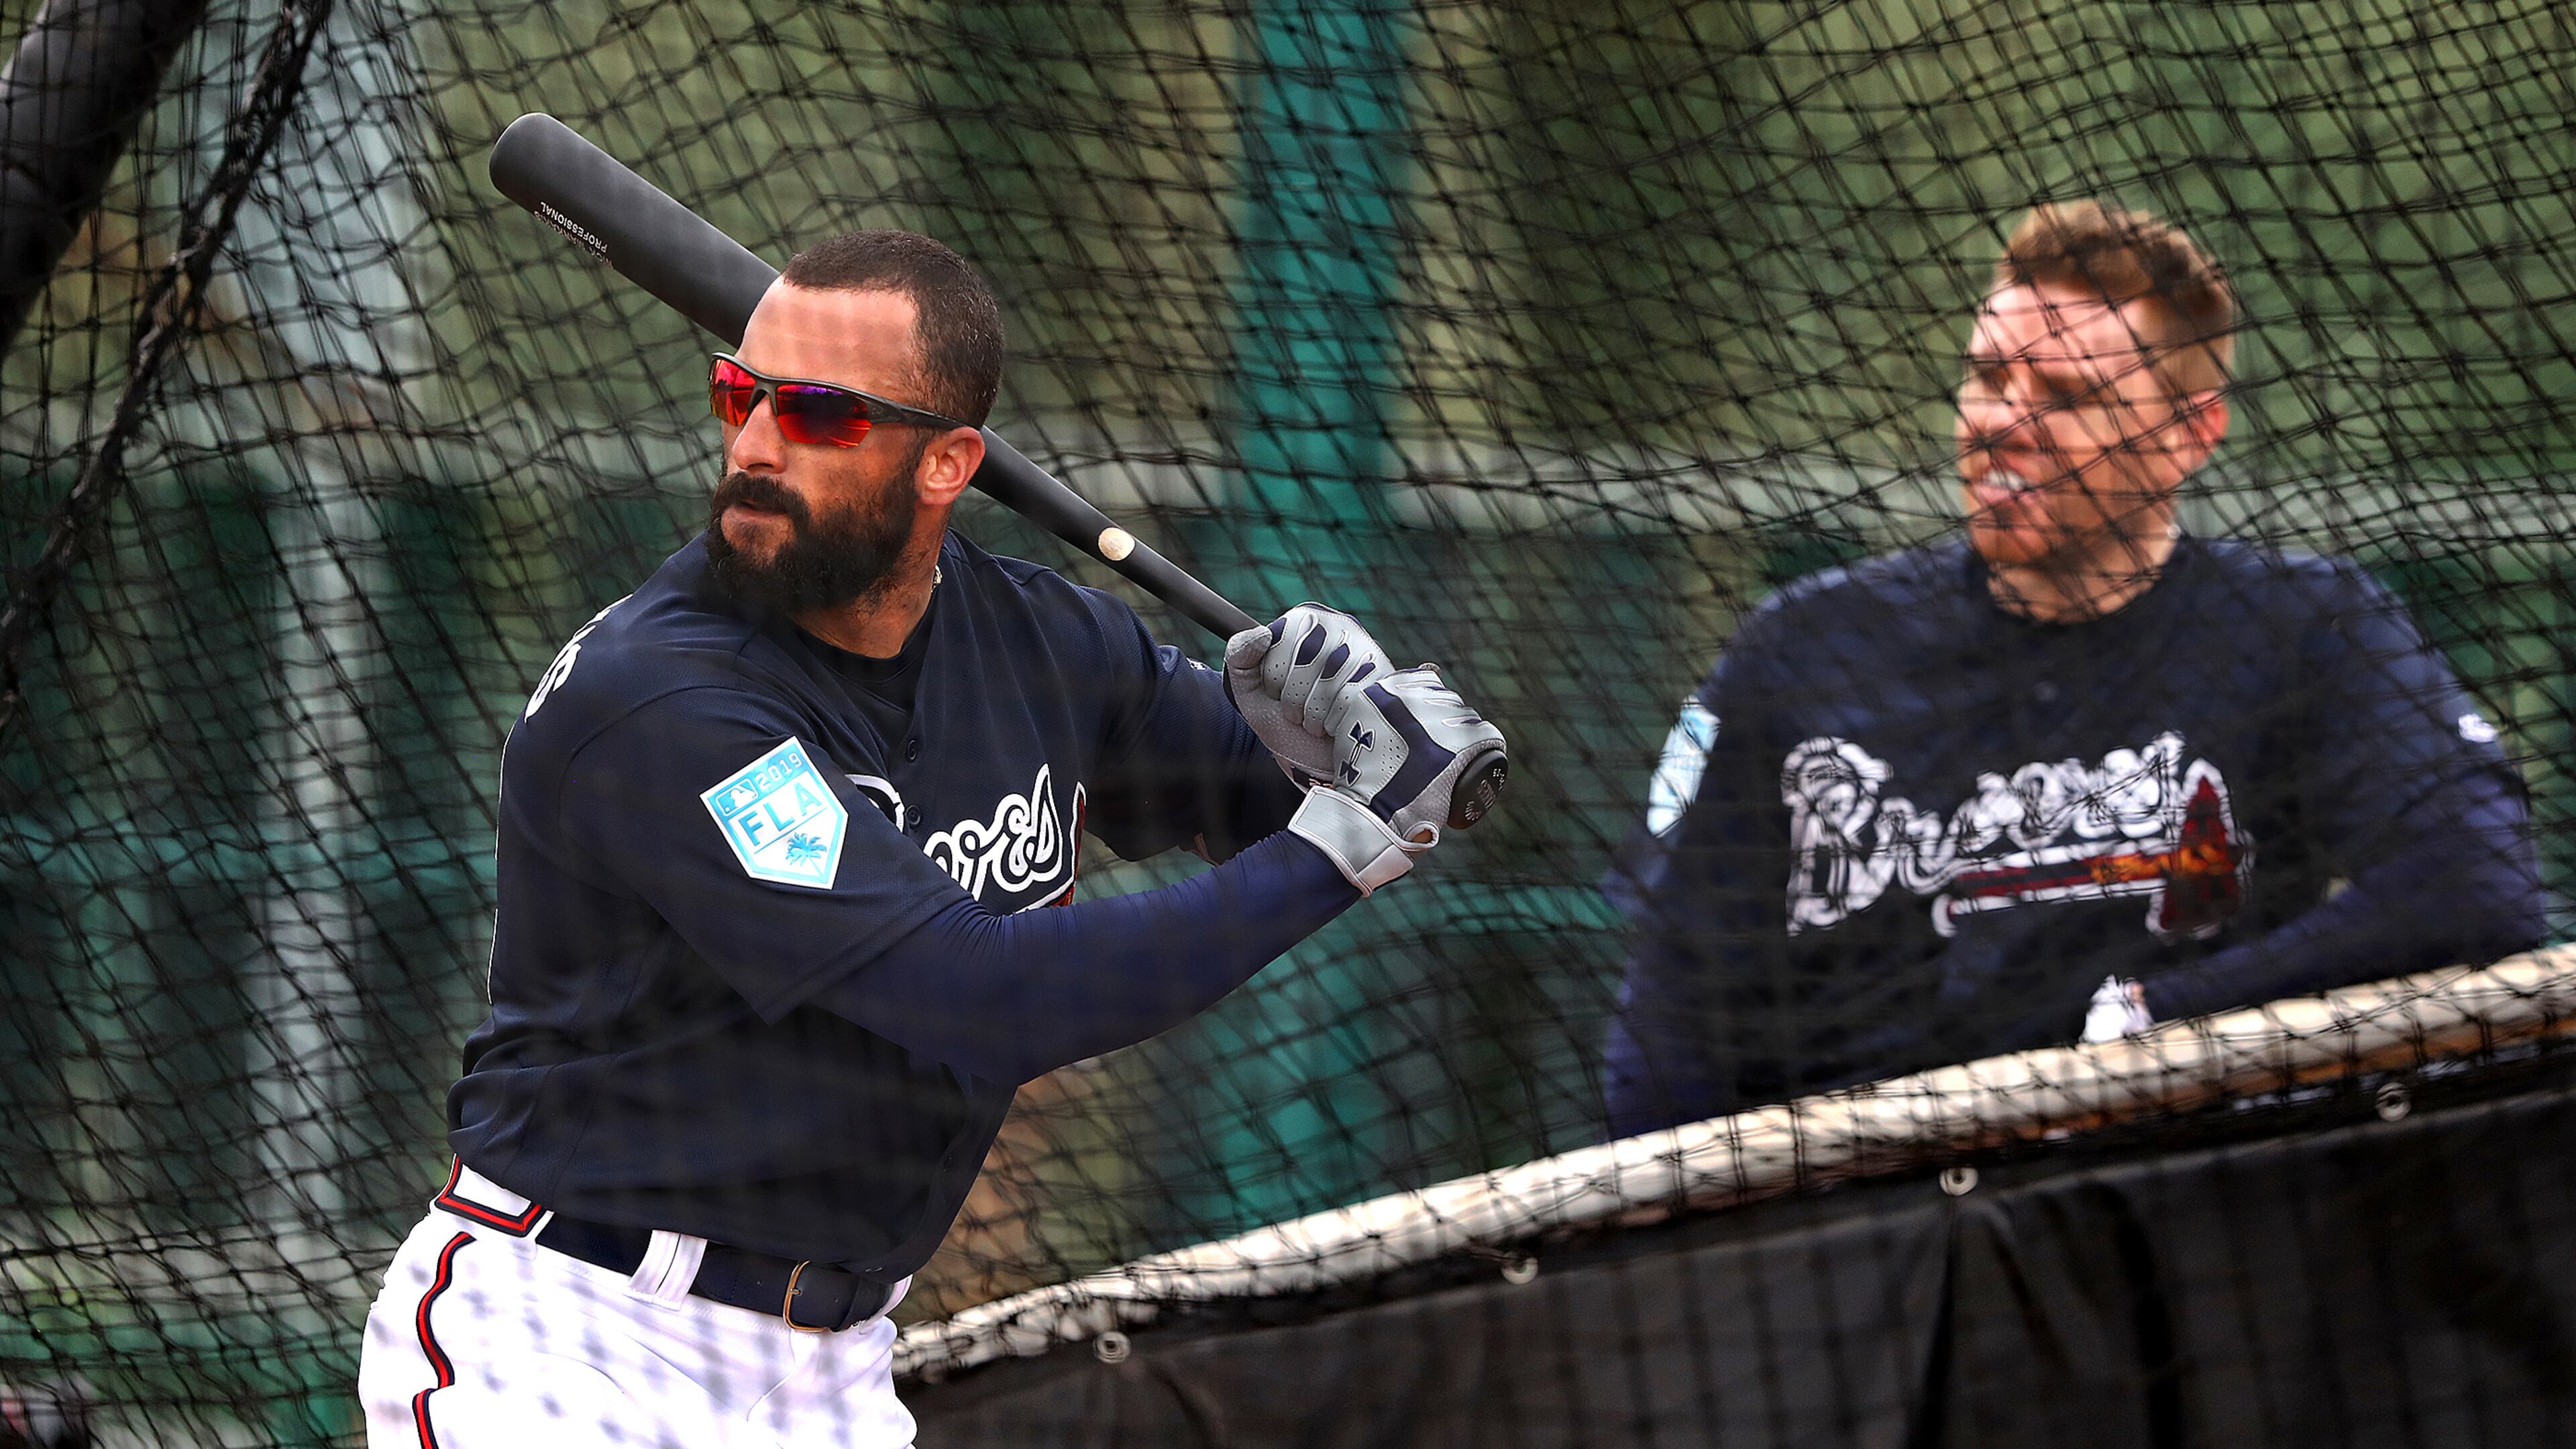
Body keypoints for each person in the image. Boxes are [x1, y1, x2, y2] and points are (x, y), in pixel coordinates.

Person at [356, 229, 1501, 1446]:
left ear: (951, 460)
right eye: (738, 396)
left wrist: (1330, 744)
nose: (752, 447)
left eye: (817, 415)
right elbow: (979, 996)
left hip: (835, 1369)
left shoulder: (1045, 648)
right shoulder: (659, 701)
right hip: (573, 1344)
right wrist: (1335, 841)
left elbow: (1288, 809)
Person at [1603, 201, 2543, 1137]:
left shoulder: (2303, 628)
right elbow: (1674, 1018)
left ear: (2189, 434)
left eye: (2068, 396)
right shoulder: (1804, 647)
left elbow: (2475, 886)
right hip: (1857, 1223)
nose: (2005, 423)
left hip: (2170, 1203)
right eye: (1988, 378)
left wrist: (2154, 1020)